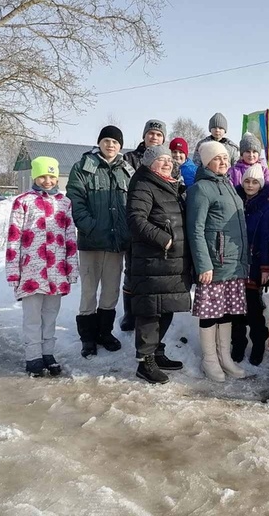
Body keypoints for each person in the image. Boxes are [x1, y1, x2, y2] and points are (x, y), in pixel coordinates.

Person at [6, 156, 79, 377]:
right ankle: (33, 357)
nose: (47, 180)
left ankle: (48, 353)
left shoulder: (64, 203)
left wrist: (71, 268)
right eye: (43, 176)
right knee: (32, 317)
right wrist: (13, 271)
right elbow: (14, 237)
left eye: (52, 176)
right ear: (35, 176)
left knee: (50, 316)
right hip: (30, 272)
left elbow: (70, 238)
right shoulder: (23, 202)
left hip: (56, 272)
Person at [66, 125, 134, 358]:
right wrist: (89, 226)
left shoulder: (127, 170)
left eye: (115, 142)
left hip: (116, 243)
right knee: (88, 291)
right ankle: (87, 337)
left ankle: (105, 332)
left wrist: (127, 232)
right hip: (92, 241)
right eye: (106, 141)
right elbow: (75, 199)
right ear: (99, 143)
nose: (111, 145)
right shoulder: (83, 168)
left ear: (120, 146)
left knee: (111, 291)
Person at [127, 145, 191, 384]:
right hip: (153, 260)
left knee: (166, 307)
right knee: (151, 311)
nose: (167, 163)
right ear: (149, 163)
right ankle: (145, 362)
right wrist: (164, 240)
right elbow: (136, 220)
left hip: (170, 263)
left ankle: (157, 352)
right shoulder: (144, 183)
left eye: (168, 159)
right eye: (160, 159)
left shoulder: (170, 185)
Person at [186, 141, 249, 382]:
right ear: (206, 162)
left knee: (227, 312)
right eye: (217, 158)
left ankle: (225, 358)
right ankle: (209, 359)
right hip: (215, 263)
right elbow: (196, 229)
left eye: (225, 158)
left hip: (233, 262)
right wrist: (204, 264)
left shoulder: (229, 186)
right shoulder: (201, 189)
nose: (223, 162)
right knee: (210, 313)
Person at [121, 119, 168, 331]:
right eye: (151, 133)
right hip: (136, 221)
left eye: (159, 135)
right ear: (144, 135)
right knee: (132, 271)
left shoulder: (166, 161)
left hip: (157, 225)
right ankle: (129, 314)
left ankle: (150, 314)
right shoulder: (130, 158)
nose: (154, 137)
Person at [233, 163, 269, 366]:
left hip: (255, 261)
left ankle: (258, 343)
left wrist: (266, 267)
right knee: (235, 309)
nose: (250, 185)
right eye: (247, 181)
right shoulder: (235, 200)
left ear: (260, 184)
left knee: (253, 308)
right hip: (234, 262)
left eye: (254, 182)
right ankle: (238, 343)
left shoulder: (266, 205)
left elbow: (266, 237)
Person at [228, 132, 269, 201]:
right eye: (248, 151)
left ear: (259, 154)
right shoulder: (233, 171)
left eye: (254, 152)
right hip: (237, 205)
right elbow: (229, 189)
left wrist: (268, 202)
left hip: (259, 206)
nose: (251, 155)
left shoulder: (265, 171)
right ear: (242, 154)